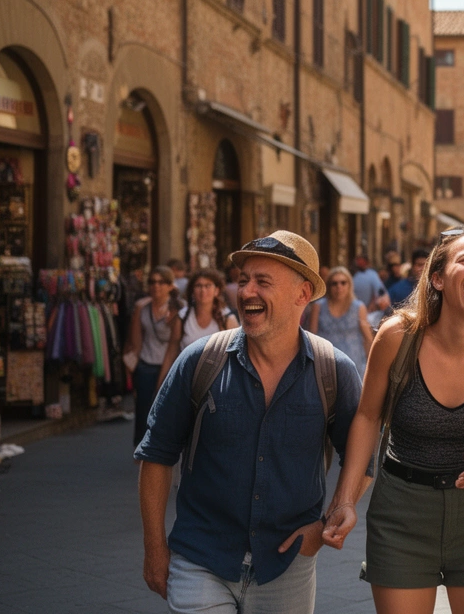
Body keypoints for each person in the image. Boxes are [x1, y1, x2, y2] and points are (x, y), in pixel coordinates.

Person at [136, 231, 362, 613]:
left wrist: (333, 516)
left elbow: (362, 454)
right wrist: (155, 549)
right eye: (242, 281)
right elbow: (156, 454)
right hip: (200, 557)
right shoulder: (200, 360)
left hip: (287, 566)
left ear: (302, 295)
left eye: (263, 282)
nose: (246, 292)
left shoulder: (332, 371)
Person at [321, 225, 464, 614]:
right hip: (402, 511)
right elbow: (367, 417)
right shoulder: (397, 336)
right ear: (437, 278)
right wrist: (345, 499)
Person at [123, 265, 179, 448]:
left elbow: (175, 344)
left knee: (165, 411)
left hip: (169, 365)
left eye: (161, 282)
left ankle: (163, 448)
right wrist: (131, 367)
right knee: (143, 410)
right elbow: (135, 342)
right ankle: (141, 449)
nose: (156, 286)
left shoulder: (178, 309)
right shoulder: (142, 308)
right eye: (152, 282)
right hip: (146, 364)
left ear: (170, 285)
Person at [158, 269, 239, 384]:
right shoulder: (183, 317)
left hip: (218, 383)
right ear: (192, 291)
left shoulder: (227, 319)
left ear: (217, 290)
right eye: (198, 286)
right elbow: (171, 352)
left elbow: (236, 357)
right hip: (186, 381)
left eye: (208, 285)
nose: (203, 290)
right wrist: (160, 386)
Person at [310, 266, 376, 378]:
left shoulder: (359, 307)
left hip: (354, 367)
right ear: (329, 286)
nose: (339, 287)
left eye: (343, 282)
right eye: (334, 283)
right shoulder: (318, 306)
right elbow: (311, 337)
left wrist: (372, 368)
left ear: (349, 285)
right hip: (325, 367)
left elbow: (368, 339)